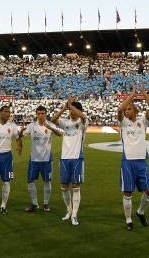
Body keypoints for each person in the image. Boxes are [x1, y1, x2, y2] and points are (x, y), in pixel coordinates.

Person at [117, 84, 149, 231]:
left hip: (141, 162)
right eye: (126, 109)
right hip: (127, 162)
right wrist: (131, 96)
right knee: (128, 192)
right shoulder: (123, 123)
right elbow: (119, 110)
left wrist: (145, 95)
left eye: (130, 109)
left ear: (136, 110)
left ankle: (140, 212)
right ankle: (128, 220)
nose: (127, 111)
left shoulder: (142, 122)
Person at [51, 96, 88, 226]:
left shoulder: (83, 123)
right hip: (64, 158)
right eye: (70, 110)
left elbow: (83, 117)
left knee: (76, 187)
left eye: (74, 110)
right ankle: (69, 210)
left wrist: (71, 105)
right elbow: (53, 120)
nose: (71, 112)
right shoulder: (65, 122)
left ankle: (75, 215)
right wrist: (64, 107)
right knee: (64, 187)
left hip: (77, 157)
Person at [19, 106, 64, 212]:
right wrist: (21, 131)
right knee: (30, 181)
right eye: (38, 113)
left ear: (46, 114)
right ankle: (34, 204)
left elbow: (60, 134)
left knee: (47, 181)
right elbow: (21, 136)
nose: (40, 115)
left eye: (43, 113)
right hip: (34, 159)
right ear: (36, 114)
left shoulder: (50, 124)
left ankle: (46, 204)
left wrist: (51, 128)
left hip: (47, 159)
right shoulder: (32, 126)